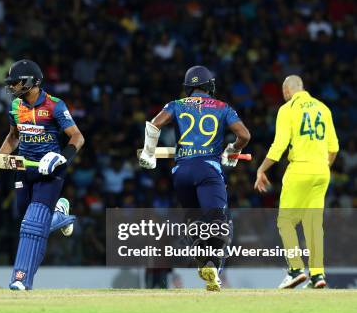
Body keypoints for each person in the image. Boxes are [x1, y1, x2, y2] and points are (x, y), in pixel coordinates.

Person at [0, 59, 85, 290]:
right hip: (24, 171)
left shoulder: (55, 105)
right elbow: (13, 137)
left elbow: (77, 137)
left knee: (32, 226)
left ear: (31, 82)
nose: (12, 87)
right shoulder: (16, 106)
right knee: (28, 221)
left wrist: (61, 157)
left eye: (16, 82)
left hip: (49, 170)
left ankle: (21, 279)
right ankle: (61, 214)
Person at [139, 66, 251, 291]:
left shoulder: (176, 105)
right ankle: (213, 264)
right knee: (219, 222)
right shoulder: (222, 107)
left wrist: (148, 152)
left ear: (188, 88)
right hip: (208, 170)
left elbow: (154, 125)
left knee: (194, 220)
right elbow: (245, 135)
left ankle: (204, 264)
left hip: (181, 172)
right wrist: (232, 149)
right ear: (210, 86)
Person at [254, 75, 339, 289]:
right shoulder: (324, 108)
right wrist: (322, 168)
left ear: (286, 91)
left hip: (299, 168)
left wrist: (262, 169)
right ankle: (318, 275)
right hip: (322, 170)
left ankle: (295, 269)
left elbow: (279, 146)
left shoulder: (288, 109)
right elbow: (334, 148)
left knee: (285, 222)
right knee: (313, 225)